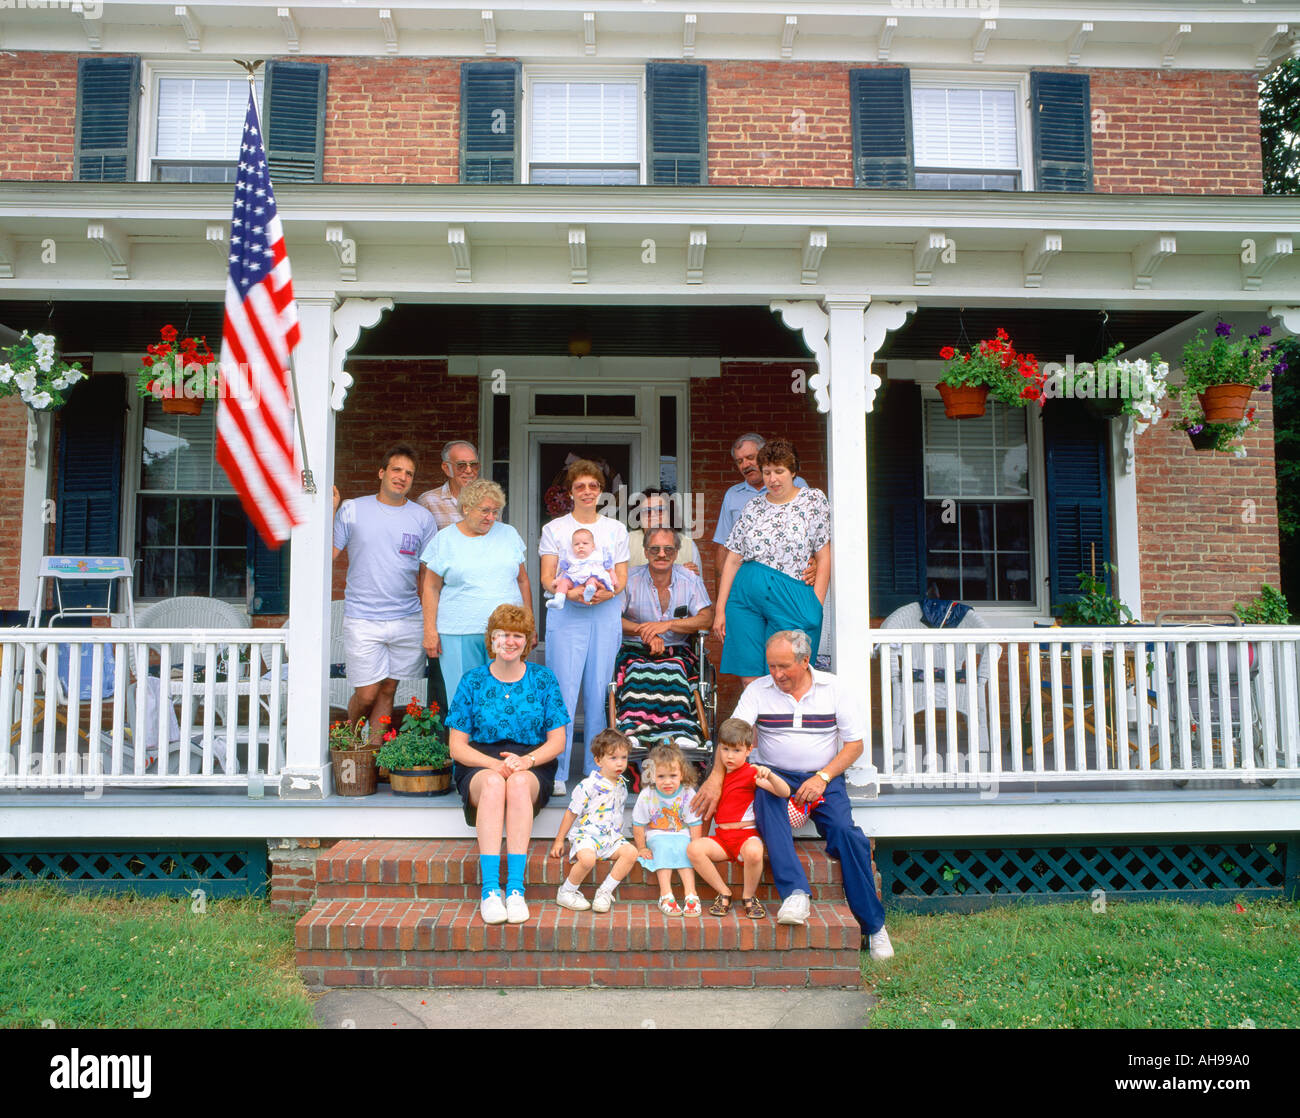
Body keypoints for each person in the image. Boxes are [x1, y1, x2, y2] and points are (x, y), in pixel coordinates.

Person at [692, 630, 895, 959]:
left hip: (823, 776)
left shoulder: (834, 689)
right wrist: (716, 777)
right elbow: (731, 733)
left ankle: (874, 927)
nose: (777, 674)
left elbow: (855, 744)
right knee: (767, 800)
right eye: (771, 666)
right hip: (772, 772)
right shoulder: (759, 690)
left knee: (847, 834)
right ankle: (796, 893)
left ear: (805, 661)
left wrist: (823, 776)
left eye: (784, 666)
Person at [446, 604, 568, 925]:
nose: (510, 641)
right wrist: (492, 765)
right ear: (492, 639)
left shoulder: (543, 680)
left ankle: (514, 889)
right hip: (479, 762)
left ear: (528, 641)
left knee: (514, 783)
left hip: (531, 761)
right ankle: (489, 891)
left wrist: (525, 761)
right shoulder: (472, 681)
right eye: (503, 635)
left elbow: (557, 742)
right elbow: (456, 746)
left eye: (518, 635)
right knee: (492, 782)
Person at [332, 443, 437, 746]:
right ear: (381, 472)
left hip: (406, 616)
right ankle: (348, 744)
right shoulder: (353, 509)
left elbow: (429, 574)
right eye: (396, 470)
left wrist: (428, 621)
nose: (402, 477)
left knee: (389, 688)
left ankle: (376, 756)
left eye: (409, 473)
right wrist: (328, 512)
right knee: (366, 692)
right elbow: (331, 554)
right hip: (363, 617)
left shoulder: (422, 518)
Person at [539, 459, 630, 793]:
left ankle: (596, 770)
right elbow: (547, 578)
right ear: (571, 490)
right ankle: (558, 771)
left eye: (593, 486)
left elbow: (620, 578)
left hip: (604, 613)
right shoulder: (555, 529)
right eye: (580, 486)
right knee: (563, 689)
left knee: (598, 691)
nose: (587, 492)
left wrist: (607, 591)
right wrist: (573, 592)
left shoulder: (615, 529)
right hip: (568, 615)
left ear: (601, 489)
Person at [712, 437, 831, 685]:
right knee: (751, 678)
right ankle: (758, 726)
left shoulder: (813, 501)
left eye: (779, 472)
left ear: (793, 472)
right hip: (745, 598)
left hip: (792, 595)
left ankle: (788, 724)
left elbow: (823, 555)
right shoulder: (753, 506)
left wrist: (815, 605)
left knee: (789, 672)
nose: (772, 479)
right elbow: (733, 558)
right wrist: (720, 609)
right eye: (767, 472)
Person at [419, 478, 531, 703]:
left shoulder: (509, 534)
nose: (491, 517)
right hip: (458, 631)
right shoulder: (445, 540)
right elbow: (430, 587)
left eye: (496, 511)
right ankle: (462, 740)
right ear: (466, 508)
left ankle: (501, 740)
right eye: (485, 511)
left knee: (504, 699)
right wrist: (429, 630)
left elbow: (522, 581)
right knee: (463, 699)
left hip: (506, 632)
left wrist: (529, 625)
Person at [687, 717, 791, 919]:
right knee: (694, 849)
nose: (729, 756)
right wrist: (700, 837)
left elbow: (784, 791)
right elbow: (706, 812)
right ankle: (724, 892)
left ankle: (749, 897)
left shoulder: (751, 773)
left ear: (748, 750)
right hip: (723, 839)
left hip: (745, 836)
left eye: (736, 750)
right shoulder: (716, 777)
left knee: (754, 852)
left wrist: (769, 775)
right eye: (725, 749)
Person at [549, 728, 640, 913]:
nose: (620, 763)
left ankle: (604, 892)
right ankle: (566, 892)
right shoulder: (588, 785)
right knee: (588, 860)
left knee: (631, 853)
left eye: (624, 757)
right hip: (588, 836)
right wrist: (559, 839)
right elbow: (571, 812)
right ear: (598, 760)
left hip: (611, 838)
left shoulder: (622, 784)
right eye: (613, 758)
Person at [711, 433, 808, 587]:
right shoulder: (733, 495)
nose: (745, 465)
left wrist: (815, 562)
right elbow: (724, 548)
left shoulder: (796, 484)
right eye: (740, 461)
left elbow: (815, 534)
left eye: (750, 457)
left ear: (764, 456)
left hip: (790, 581)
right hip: (748, 585)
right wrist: (720, 605)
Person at [632, 742, 705, 917]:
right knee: (662, 848)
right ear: (652, 775)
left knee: (684, 849)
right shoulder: (647, 794)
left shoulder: (687, 793)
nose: (667, 782)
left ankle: (691, 894)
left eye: (673, 775)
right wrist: (641, 847)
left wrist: (696, 847)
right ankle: (666, 894)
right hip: (656, 834)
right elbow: (638, 823)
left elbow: (694, 823)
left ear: (682, 774)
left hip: (681, 833)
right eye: (661, 776)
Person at [621, 526, 714, 661]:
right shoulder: (629, 579)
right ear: (646, 552)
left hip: (678, 652)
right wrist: (646, 633)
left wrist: (668, 625)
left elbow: (706, 619)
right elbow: (612, 619)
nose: (662, 554)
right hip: (633, 649)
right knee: (634, 679)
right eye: (655, 549)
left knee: (676, 679)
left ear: (676, 553)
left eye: (668, 549)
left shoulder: (690, 579)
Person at [627, 487, 700, 573]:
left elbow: (698, 583)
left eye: (660, 510)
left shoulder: (688, 545)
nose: (653, 515)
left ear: (670, 514)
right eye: (647, 511)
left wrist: (693, 578)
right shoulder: (626, 542)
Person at [416, 439, 481, 530]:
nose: (469, 470)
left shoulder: (489, 500)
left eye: (474, 465)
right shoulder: (428, 502)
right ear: (446, 468)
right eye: (461, 465)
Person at [546, 527, 615, 610]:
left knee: (592, 580)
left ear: (593, 546)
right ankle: (559, 600)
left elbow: (609, 570)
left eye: (585, 543)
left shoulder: (597, 557)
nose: (580, 546)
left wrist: (614, 581)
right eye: (576, 544)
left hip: (591, 578)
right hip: (574, 581)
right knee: (564, 582)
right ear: (572, 547)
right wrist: (558, 580)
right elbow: (565, 572)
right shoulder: (571, 559)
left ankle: (589, 592)